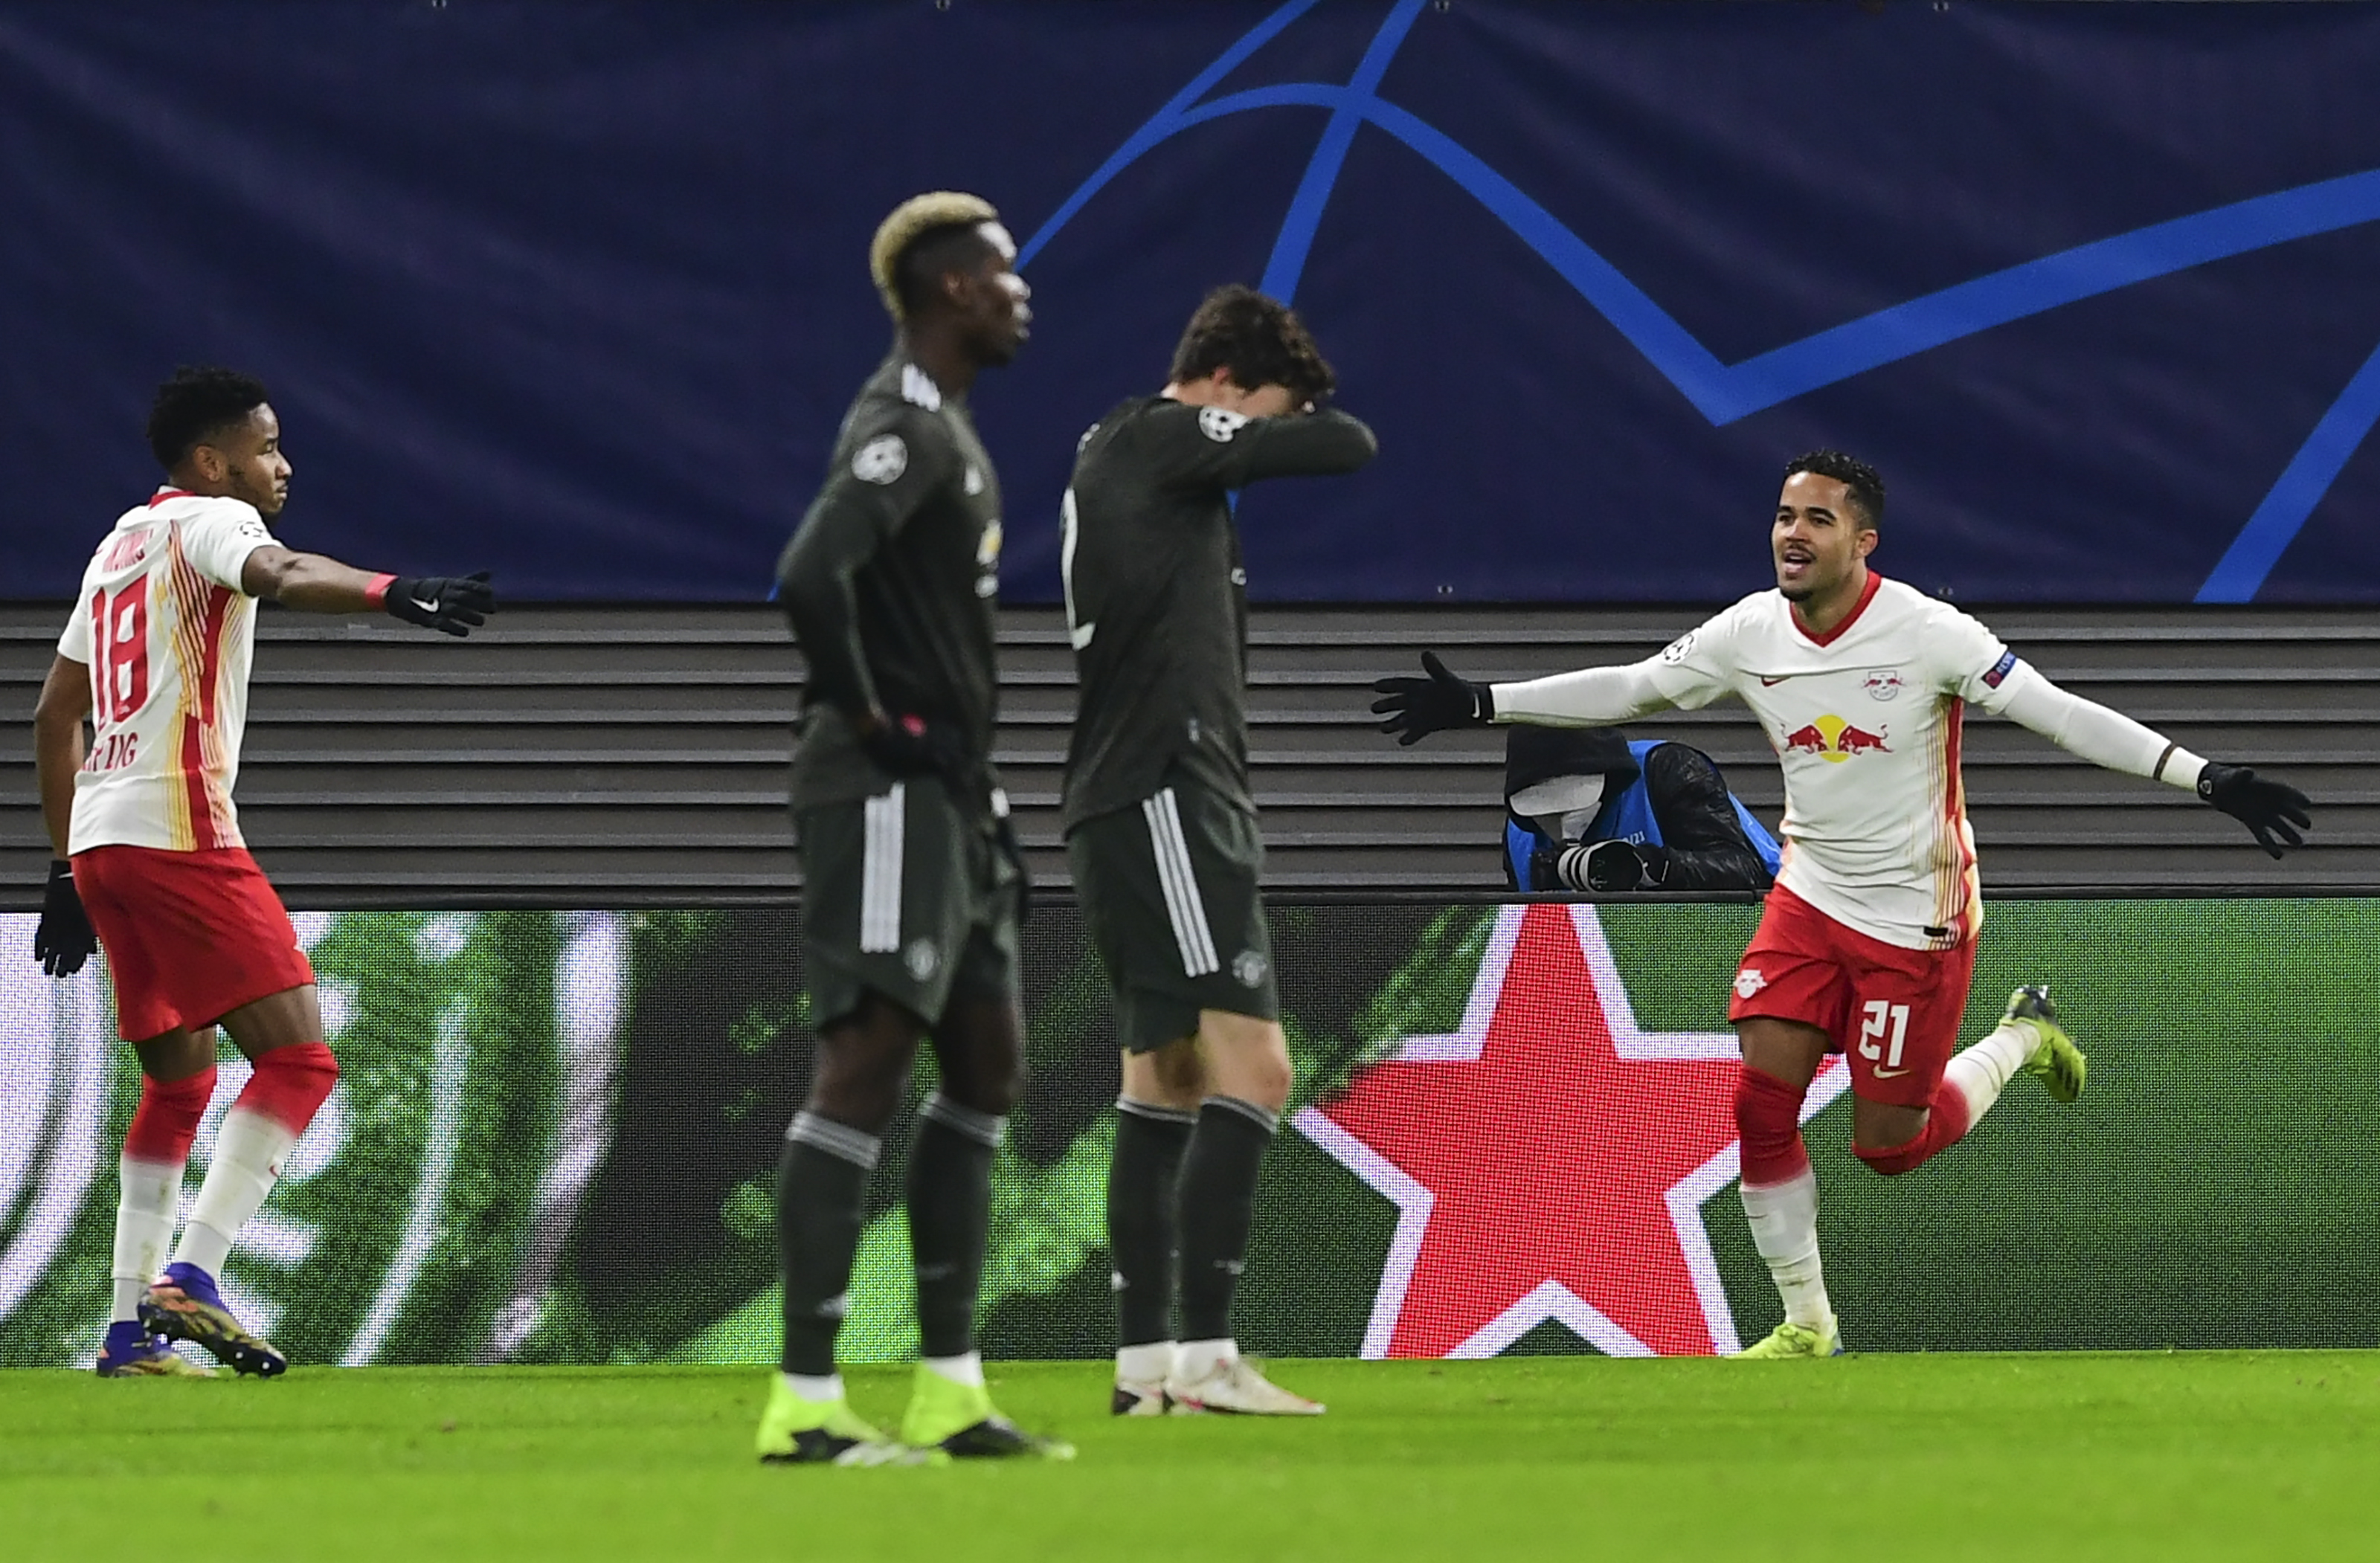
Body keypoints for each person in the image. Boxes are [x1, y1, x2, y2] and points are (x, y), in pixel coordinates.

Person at [1372, 448, 2311, 1358]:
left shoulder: (1928, 632)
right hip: (1807, 898)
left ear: (1862, 541)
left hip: (1916, 920)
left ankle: (2021, 1036)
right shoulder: (1749, 632)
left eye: (1816, 519)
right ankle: (1807, 1325)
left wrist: (2203, 777)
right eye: (1783, 515)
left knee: (1886, 1148)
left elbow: (2059, 712)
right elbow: (1633, 687)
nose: (1791, 533)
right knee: (1759, 1106)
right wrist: (1482, 705)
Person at [30, 366, 494, 1378]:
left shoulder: (117, 545)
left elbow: (52, 715)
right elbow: (281, 575)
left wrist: (66, 870)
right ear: (212, 459)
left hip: (108, 839)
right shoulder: (209, 522)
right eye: (268, 446)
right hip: (178, 829)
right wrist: (392, 590)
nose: (282, 464)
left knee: (179, 1083)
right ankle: (190, 1278)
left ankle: (125, 1335)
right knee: (299, 1059)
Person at [759, 191, 1069, 1466]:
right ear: (952, 288)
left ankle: (948, 1389)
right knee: (868, 1064)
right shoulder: (901, 426)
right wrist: (876, 722)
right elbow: (806, 572)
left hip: (955, 801)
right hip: (884, 790)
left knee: (989, 1063)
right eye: (1005, 272)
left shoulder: (956, 434)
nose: (1021, 291)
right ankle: (807, 1401)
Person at [1061, 285, 1377, 1415]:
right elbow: (1346, 443)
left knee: (1165, 1076)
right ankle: (1207, 1356)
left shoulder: (1124, 457)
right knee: (1257, 1065)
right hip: (1167, 793)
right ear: (1228, 389)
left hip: (1124, 796)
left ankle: (1145, 1367)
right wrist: (1281, 425)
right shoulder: (1155, 433)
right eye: (1264, 411)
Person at [1502, 725, 1780, 892]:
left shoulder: (1668, 770)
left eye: (1572, 804)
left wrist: (1652, 865)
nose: (1560, 823)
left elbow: (1746, 873)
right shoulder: (1520, 832)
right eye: (1546, 811)